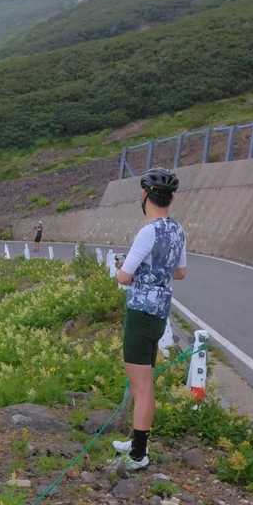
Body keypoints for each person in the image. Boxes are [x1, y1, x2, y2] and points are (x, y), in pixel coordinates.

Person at [113, 167, 187, 470]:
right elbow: (180, 272)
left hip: (141, 312)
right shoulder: (178, 230)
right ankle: (136, 440)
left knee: (141, 385)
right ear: (170, 198)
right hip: (159, 313)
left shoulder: (148, 231)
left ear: (145, 195)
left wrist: (124, 268)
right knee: (144, 381)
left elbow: (124, 276)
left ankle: (139, 454)